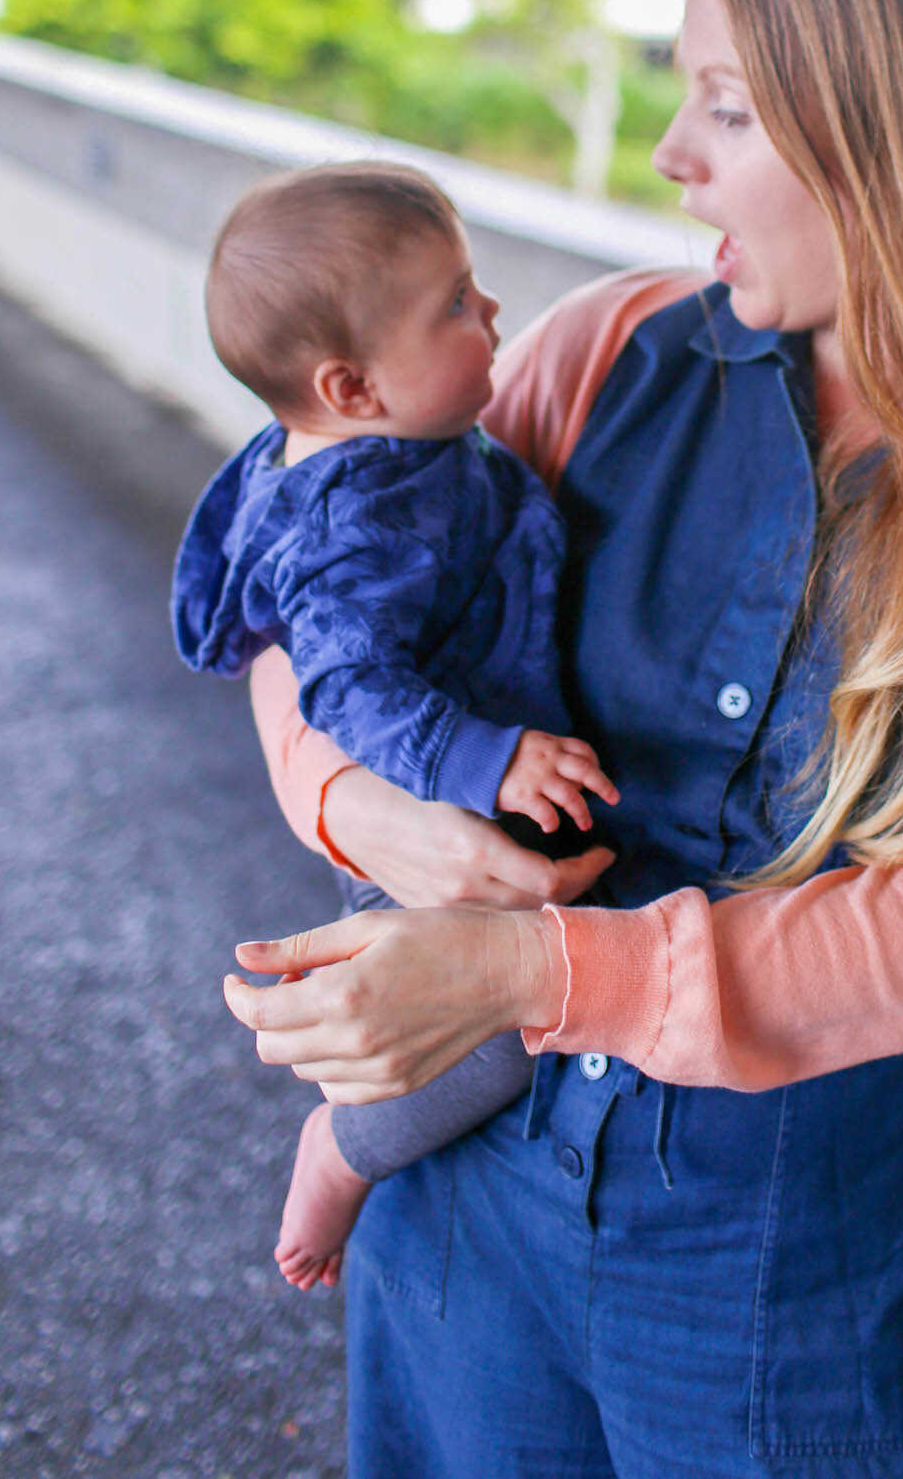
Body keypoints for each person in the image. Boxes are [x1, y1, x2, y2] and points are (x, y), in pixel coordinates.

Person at [224, 0, 903, 1479]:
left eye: (726, 107)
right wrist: (362, 804)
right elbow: (308, 592)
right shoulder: (596, 347)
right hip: (464, 1182)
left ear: (888, 136)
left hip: (805, 1263)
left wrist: (531, 976)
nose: (668, 155)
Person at [172, 160, 617, 1289]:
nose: (493, 314)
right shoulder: (360, 521)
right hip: (436, 825)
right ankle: (345, 1149)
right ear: (355, 388)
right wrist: (484, 755)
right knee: (501, 1045)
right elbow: (347, 687)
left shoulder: (379, 447)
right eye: (458, 305)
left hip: (463, 808)